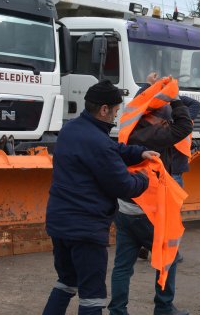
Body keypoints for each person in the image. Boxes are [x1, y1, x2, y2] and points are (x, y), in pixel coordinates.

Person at [43, 80, 156, 315]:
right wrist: (146, 177)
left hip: (60, 224)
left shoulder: (71, 129)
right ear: (104, 109)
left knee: (66, 282)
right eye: (115, 111)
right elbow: (124, 186)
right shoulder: (98, 141)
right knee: (92, 297)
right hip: (86, 228)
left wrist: (138, 153)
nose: (116, 116)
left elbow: (111, 150)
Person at [108, 73, 197, 315]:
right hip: (148, 211)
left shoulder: (132, 125)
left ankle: (117, 310)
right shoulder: (156, 135)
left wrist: (151, 87)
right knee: (168, 256)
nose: (167, 125)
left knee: (123, 265)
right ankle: (164, 307)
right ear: (158, 120)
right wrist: (175, 98)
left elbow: (140, 101)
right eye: (165, 122)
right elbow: (185, 125)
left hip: (126, 208)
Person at [137, 72, 200, 262]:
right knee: (169, 214)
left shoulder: (169, 121)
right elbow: (139, 102)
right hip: (170, 171)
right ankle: (168, 250)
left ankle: (146, 244)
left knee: (155, 211)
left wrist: (167, 93)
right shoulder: (169, 124)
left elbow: (194, 105)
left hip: (167, 169)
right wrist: (157, 88)